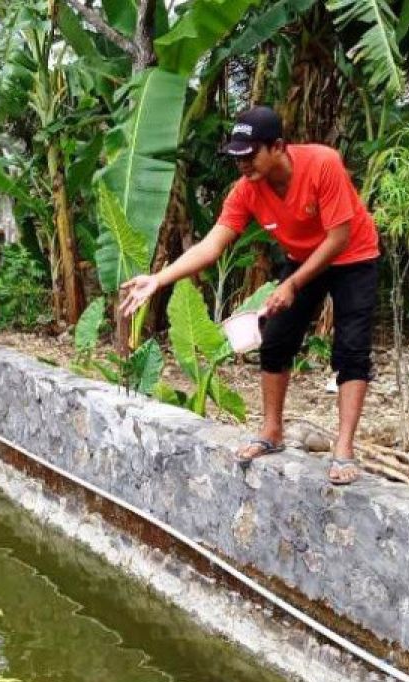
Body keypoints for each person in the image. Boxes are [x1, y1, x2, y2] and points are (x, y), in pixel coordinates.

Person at [119, 105, 380, 485]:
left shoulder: (323, 164)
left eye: (249, 155)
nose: (242, 165)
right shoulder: (246, 191)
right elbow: (211, 247)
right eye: (236, 157)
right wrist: (159, 279)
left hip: (353, 256)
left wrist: (291, 285)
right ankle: (271, 431)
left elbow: (338, 237)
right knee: (275, 341)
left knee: (352, 349)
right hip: (303, 257)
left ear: (277, 147)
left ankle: (343, 449)